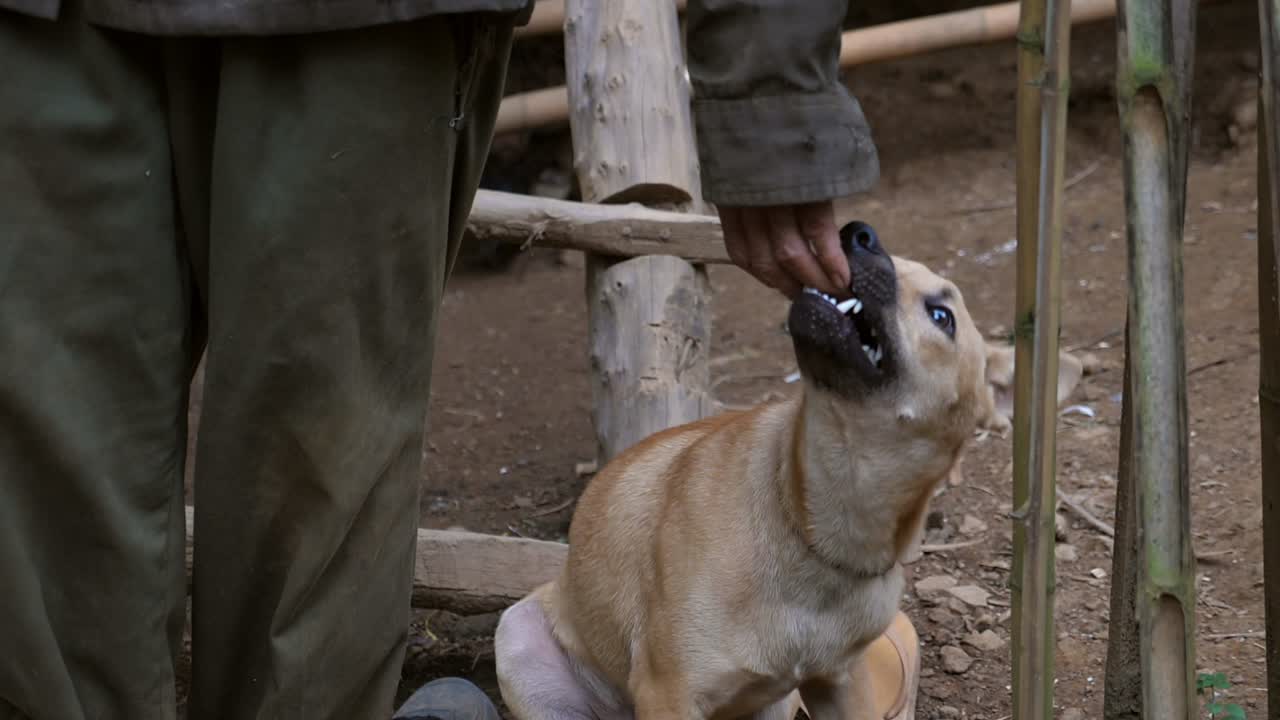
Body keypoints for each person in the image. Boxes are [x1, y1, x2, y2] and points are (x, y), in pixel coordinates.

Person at [0, 0, 908, 717]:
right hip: (43, 28)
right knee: (46, 478)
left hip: (358, 25)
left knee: (314, 471)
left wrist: (768, 93)